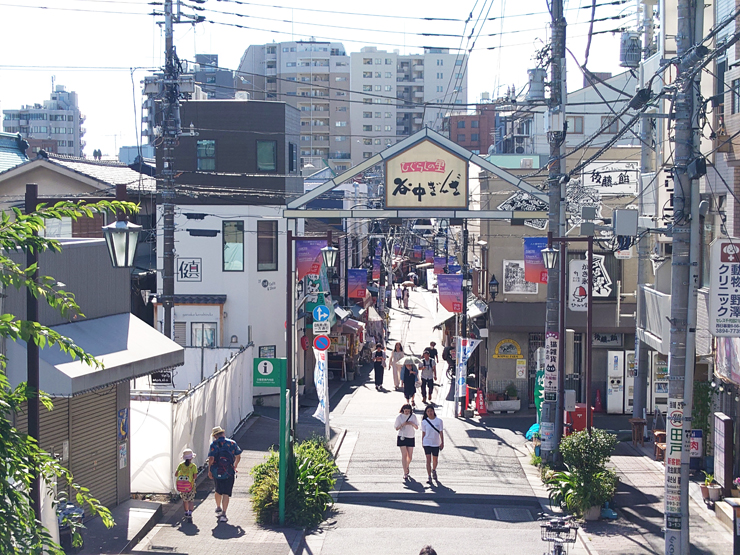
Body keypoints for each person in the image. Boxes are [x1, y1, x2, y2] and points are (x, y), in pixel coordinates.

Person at [207, 426, 242, 523]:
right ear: (223, 433)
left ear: (215, 436)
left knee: (218, 490)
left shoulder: (214, 444)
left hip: (217, 471)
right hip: (229, 471)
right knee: (226, 493)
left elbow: (211, 459)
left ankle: (218, 507)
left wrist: (210, 470)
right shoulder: (232, 443)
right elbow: (238, 456)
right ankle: (224, 513)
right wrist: (235, 466)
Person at [394, 403, 419, 481]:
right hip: (402, 436)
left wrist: (411, 423)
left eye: (408, 411)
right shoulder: (399, 417)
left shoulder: (413, 416)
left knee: (410, 456)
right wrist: (403, 424)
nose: (407, 412)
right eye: (405, 411)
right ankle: (405, 472)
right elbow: (396, 428)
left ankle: (406, 466)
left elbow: (417, 427)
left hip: (411, 436)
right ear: (403, 410)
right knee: (404, 455)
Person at [421, 405, 444, 483]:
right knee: (428, 459)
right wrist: (422, 442)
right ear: (426, 413)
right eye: (428, 411)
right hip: (427, 442)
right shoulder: (424, 422)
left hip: (436, 443)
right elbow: (423, 433)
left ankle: (433, 470)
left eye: (431, 411)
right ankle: (429, 476)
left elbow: (441, 432)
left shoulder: (439, 421)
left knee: (435, 459)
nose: (430, 413)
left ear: (434, 411)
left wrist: (442, 442)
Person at [175, 448, 198, 522]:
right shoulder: (193, 466)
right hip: (190, 485)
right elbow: (195, 477)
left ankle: (186, 512)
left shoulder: (181, 465)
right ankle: (190, 513)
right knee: (191, 500)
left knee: (185, 500)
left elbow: (176, 474)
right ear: (191, 458)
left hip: (182, 486)